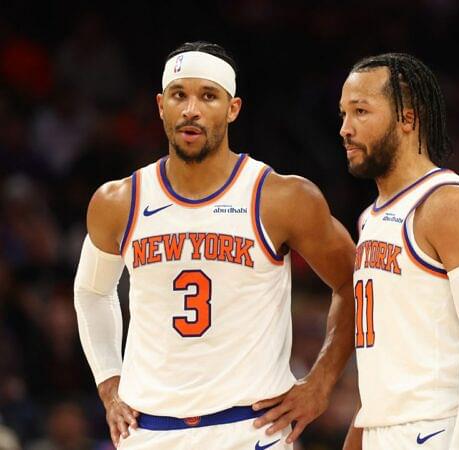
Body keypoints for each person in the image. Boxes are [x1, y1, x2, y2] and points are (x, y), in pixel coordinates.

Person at [73, 41, 355, 450]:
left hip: (251, 429)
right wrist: (108, 383)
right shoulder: (118, 201)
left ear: (233, 108)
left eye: (208, 96)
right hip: (149, 430)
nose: (191, 109)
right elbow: (91, 292)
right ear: (160, 105)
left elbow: (354, 283)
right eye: (179, 95)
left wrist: (320, 384)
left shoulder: (281, 197)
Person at [338, 53, 459, 449]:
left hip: (445, 430)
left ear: (408, 120)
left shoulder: (451, 206)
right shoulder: (370, 219)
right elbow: (389, 358)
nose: (346, 129)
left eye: (361, 111)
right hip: (389, 432)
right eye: (343, 114)